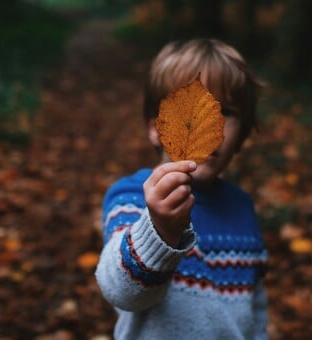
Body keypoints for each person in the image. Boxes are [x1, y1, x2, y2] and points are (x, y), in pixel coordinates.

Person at [95, 38, 269, 339]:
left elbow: (256, 311)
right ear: (155, 128)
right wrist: (159, 228)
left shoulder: (242, 208)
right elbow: (120, 292)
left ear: (242, 135)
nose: (207, 123)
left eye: (225, 111)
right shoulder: (134, 197)